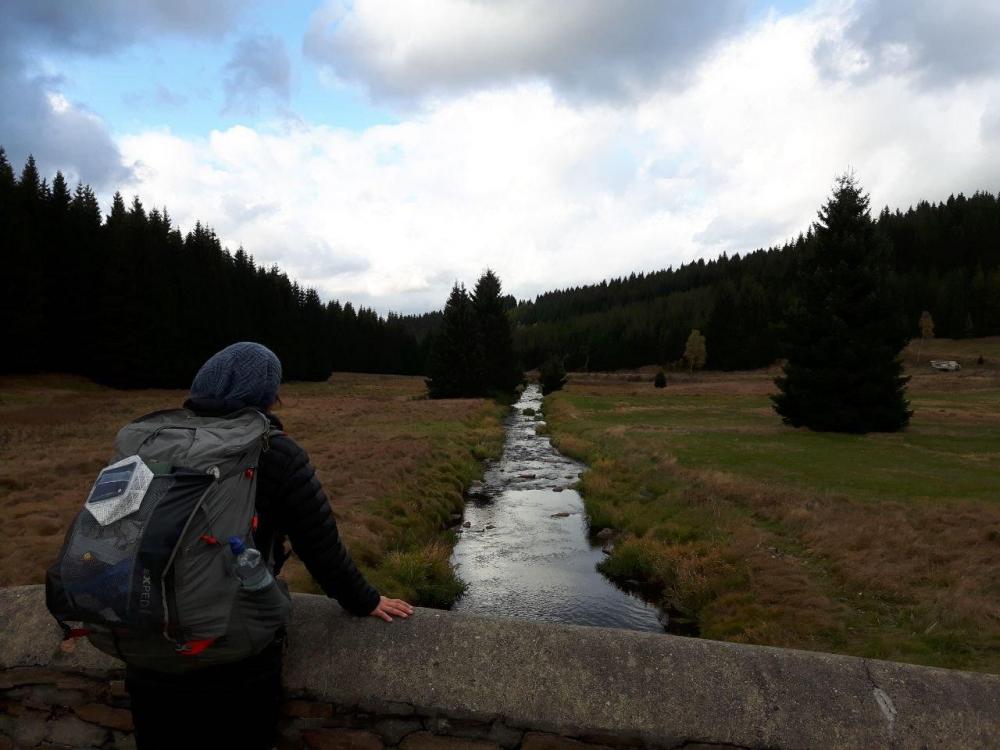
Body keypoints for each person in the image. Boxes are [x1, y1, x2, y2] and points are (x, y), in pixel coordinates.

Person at [124, 342, 414, 750]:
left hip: (145, 640)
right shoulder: (274, 451)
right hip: (233, 652)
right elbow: (320, 548)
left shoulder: (150, 444)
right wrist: (365, 601)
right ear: (266, 397)